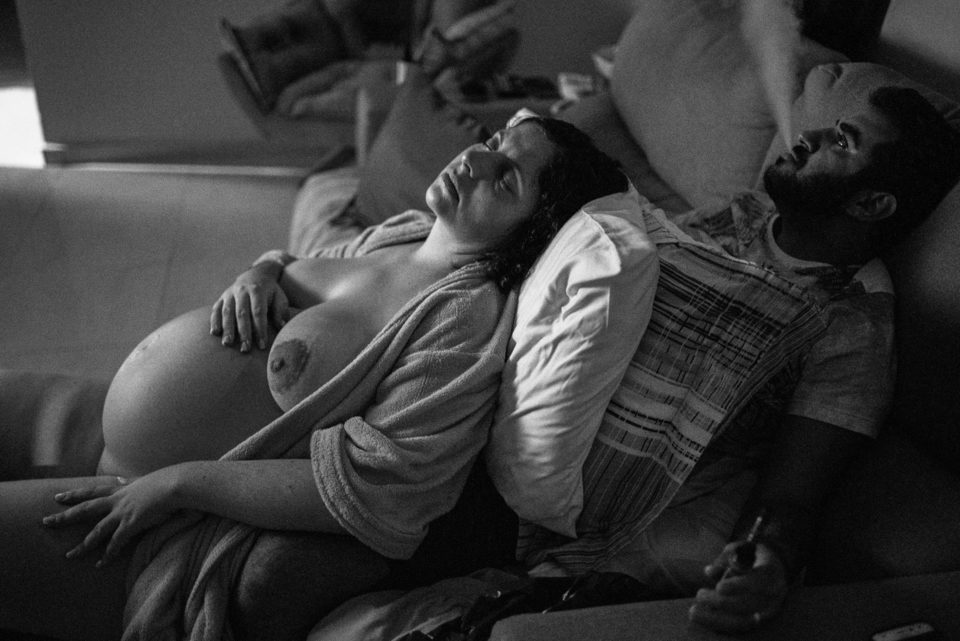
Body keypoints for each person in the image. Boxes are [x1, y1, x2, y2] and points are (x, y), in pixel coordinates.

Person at [0, 115, 628, 641]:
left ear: (529, 234)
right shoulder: (406, 232)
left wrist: (177, 484)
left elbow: (381, 491)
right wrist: (261, 274)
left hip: (155, 518)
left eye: (506, 178)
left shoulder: (462, 319)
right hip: (93, 427)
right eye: (492, 142)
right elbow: (304, 262)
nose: (475, 160)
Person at [668, 86, 960, 632]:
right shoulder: (744, 210)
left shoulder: (853, 320)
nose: (808, 135)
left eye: (843, 142)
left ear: (871, 204)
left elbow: (790, 497)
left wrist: (764, 558)